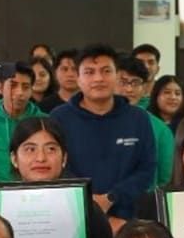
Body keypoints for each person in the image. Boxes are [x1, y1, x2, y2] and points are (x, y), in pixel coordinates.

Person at [48, 44, 158, 221]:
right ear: (78, 78)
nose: (98, 78)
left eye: (106, 71)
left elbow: (147, 169)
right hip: (74, 215)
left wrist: (111, 198)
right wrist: (87, 200)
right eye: (89, 72)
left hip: (128, 219)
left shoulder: (138, 118)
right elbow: (56, 168)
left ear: (117, 76)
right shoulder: (59, 118)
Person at [118, 58, 176, 187]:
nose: (129, 89)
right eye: (122, 82)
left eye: (135, 83)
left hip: (146, 203)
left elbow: (165, 178)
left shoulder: (160, 129)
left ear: (145, 88)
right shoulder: (96, 121)